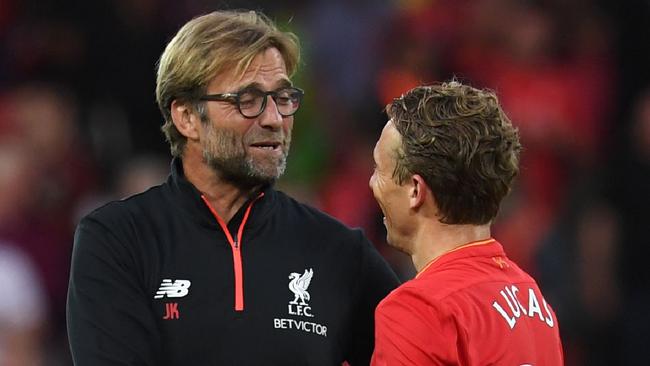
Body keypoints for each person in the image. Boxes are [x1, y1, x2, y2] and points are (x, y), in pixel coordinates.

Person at [67, 10, 399, 365]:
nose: (274, 119)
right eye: (248, 100)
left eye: (283, 99)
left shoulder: (340, 252)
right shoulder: (118, 240)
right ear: (187, 117)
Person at [368, 81, 563, 365]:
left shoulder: (418, 309)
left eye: (379, 169)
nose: (372, 183)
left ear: (415, 190)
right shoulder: (534, 302)